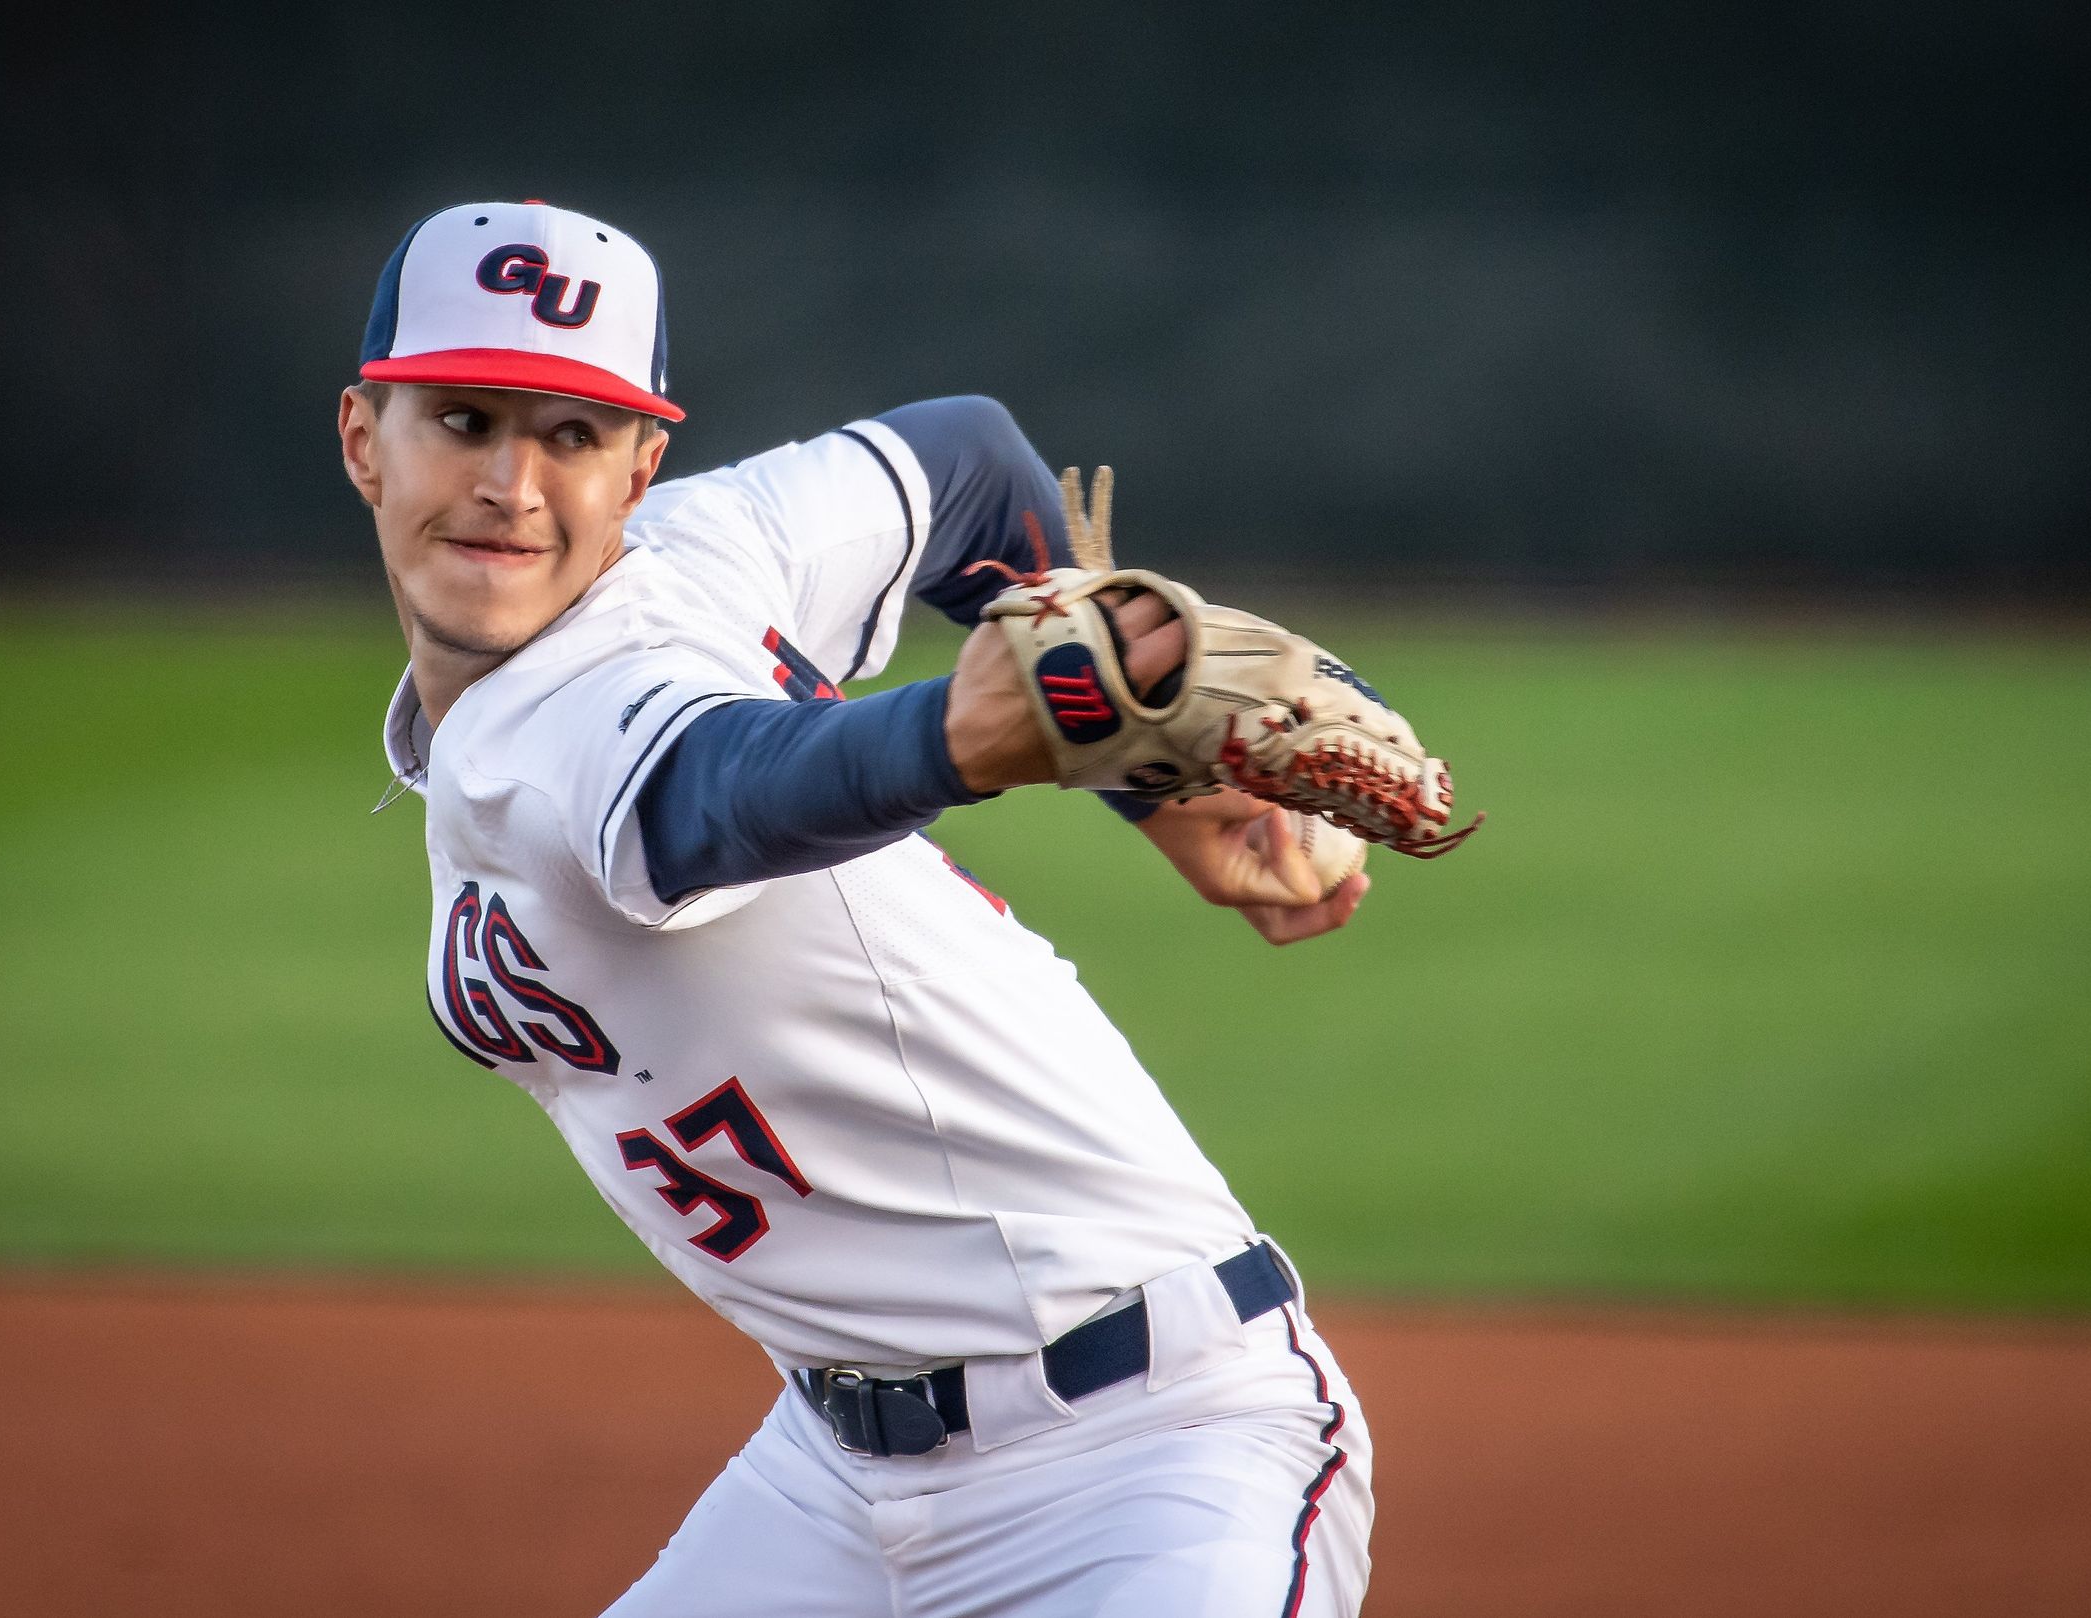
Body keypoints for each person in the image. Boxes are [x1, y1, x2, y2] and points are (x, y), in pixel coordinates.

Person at [341, 199, 1373, 1616]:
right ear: (363, 439)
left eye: (571, 435)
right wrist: (1148, 783)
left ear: (641, 466)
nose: (514, 482)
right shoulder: (719, 550)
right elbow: (964, 461)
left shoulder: (578, 712)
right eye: (464, 418)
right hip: (831, 1478)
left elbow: (728, 789)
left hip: (1157, 1454)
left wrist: (963, 739)